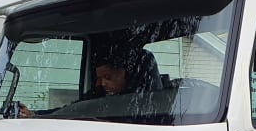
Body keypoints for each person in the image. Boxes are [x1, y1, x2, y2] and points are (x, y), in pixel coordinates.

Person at [16, 48, 157, 116]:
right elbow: (71, 110)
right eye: (100, 79)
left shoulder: (149, 108)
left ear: (127, 74)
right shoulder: (99, 96)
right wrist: (35, 114)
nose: (102, 84)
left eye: (108, 77)